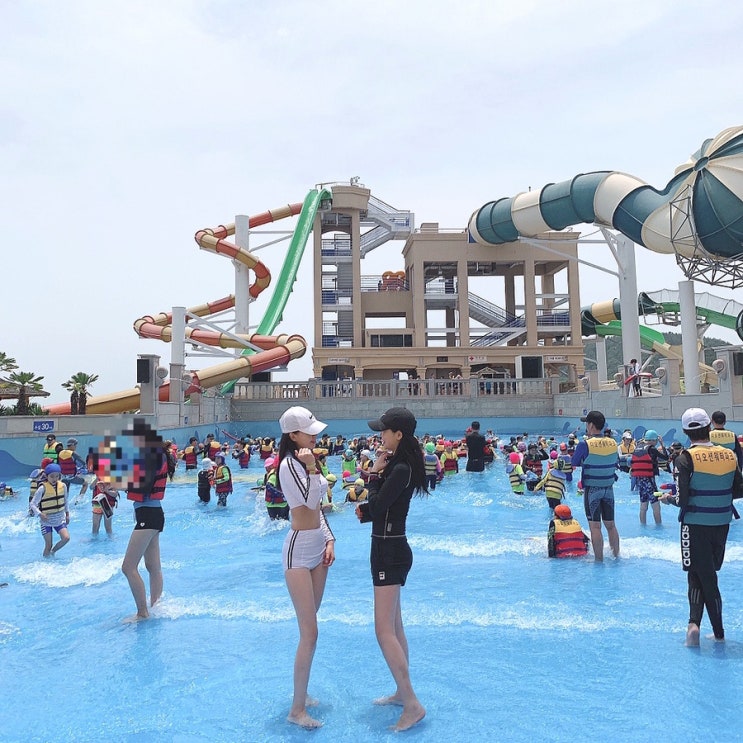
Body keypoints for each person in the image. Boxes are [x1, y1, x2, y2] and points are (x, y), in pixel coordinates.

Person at [356, 406, 426, 732]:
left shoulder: (400, 469)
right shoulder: (399, 465)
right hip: (390, 545)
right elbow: (379, 508)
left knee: (383, 630)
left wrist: (372, 476)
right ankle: (402, 693)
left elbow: (378, 505)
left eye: (384, 431)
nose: (380, 436)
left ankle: (412, 704)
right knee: (395, 628)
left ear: (398, 434)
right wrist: (377, 476)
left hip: (388, 550)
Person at [659, 408, 743, 646]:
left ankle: (700, 628)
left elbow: (683, 499)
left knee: (701, 576)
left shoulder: (684, 459)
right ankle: (705, 629)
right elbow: (739, 489)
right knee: (705, 573)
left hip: (694, 525)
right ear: (709, 428)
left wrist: (668, 499)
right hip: (721, 523)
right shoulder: (729, 455)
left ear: (686, 432)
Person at [277, 405, 335, 729]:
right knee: (309, 633)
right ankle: (296, 710)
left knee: (311, 630)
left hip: (316, 548)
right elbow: (309, 502)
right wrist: (313, 469)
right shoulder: (289, 465)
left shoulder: (306, 462)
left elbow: (319, 511)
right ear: (293, 435)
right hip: (298, 553)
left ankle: (303, 694)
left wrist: (329, 539)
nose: (315, 437)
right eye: (309, 432)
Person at [116, 420, 168, 623]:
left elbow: (143, 486)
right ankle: (156, 606)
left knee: (128, 567)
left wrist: (117, 486)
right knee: (153, 566)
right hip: (153, 514)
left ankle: (142, 613)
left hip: (148, 516)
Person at [571, 410, 620, 561]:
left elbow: (574, 462)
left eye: (587, 423)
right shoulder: (613, 443)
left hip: (592, 490)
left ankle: (599, 561)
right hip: (608, 489)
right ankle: (616, 556)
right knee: (611, 525)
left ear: (591, 425)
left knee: (595, 526)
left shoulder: (584, 444)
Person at [29, 463, 70, 557]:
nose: (54, 479)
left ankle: (53, 551)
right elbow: (33, 504)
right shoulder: (42, 488)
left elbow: (65, 501)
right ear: (46, 476)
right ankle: (45, 562)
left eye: (57, 476)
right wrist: (40, 514)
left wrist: (67, 514)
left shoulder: (63, 486)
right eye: (52, 476)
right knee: (48, 545)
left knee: (66, 538)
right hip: (46, 521)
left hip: (59, 519)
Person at [630, 430, 663, 525]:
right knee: (656, 506)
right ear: (653, 440)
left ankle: (643, 526)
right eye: (656, 441)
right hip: (650, 481)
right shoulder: (652, 449)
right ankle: (659, 527)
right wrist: (662, 444)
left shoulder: (638, 447)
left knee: (643, 506)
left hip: (640, 482)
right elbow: (665, 457)